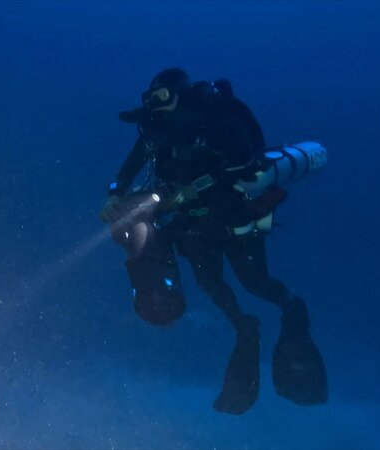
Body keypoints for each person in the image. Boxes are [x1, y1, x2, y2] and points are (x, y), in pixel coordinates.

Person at [100, 68, 328, 415]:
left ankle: (293, 313)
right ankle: (245, 331)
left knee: (256, 283)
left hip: (233, 217)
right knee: (210, 282)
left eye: (162, 97)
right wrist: (115, 195)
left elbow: (242, 164)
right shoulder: (156, 131)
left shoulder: (216, 120)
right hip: (194, 226)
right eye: (150, 99)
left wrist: (192, 190)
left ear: (181, 94)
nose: (156, 107)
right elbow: (129, 167)